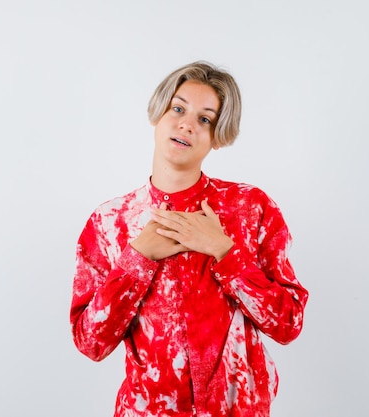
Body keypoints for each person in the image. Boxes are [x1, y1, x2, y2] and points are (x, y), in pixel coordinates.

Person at [69, 61, 308, 417]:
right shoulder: (110, 222)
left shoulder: (249, 208)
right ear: (159, 113)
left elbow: (288, 324)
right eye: (178, 108)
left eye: (205, 119)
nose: (187, 124)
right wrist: (138, 258)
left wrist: (225, 252)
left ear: (217, 136)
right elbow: (91, 343)